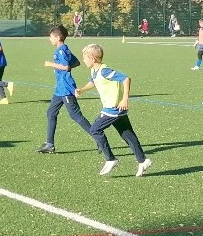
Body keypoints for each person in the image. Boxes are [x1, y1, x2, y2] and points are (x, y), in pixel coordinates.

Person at [75, 43, 151, 176]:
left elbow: (126, 79)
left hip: (113, 109)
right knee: (127, 134)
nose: (83, 60)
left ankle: (110, 159)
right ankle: (143, 160)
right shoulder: (94, 71)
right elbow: (93, 81)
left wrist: (125, 99)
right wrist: (82, 89)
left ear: (93, 59)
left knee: (95, 129)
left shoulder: (105, 71)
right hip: (113, 108)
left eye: (85, 58)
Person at [36, 25, 92, 154]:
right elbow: (76, 62)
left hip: (66, 88)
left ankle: (99, 138)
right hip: (59, 89)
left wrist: (50, 64)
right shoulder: (64, 49)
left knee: (76, 116)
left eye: (51, 37)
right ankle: (49, 144)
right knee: (51, 113)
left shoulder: (61, 50)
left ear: (57, 37)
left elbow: (66, 67)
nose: (49, 39)